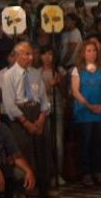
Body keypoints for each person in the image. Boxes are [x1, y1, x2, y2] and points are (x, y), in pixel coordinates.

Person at [0, 42, 51, 197]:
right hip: (20, 116)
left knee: (42, 154)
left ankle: (44, 188)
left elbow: (44, 99)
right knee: (25, 153)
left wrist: (42, 117)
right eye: (26, 54)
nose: (30, 57)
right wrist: (26, 122)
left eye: (31, 54)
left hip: (36, 112)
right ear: (17, 55)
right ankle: (28, 189)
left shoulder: (36, 73)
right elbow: (9, 104)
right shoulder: (8, 76)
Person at [71, 40, 101, 187]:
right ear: (83, 53)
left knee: (99, 143)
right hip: (84, 112)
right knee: (86, 143)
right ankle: (86, 173)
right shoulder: (78, 70)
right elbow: (75, 91)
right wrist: (89, 105)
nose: (92, 53)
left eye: (94, 50)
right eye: (88, 51)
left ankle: (98, 172)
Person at [40, 47, 66, 187]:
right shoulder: (37, 73)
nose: (47, 57)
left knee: (58, 141)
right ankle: (49, 173)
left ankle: (59, 173)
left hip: (58, 107)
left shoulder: (59, 71)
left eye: (50, 53)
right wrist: (49, 86)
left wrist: (60, 82)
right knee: (47, 141)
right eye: (44, 54)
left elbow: (66, 92)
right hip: (44, 109)